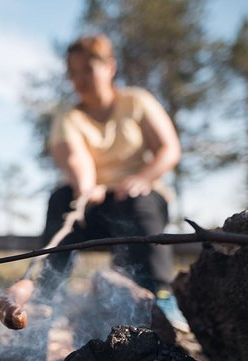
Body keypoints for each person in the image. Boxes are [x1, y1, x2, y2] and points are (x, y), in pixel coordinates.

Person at [37, 34, 189, 332]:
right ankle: (47, 297)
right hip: (92, 205)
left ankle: (159, 297)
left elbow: (168, 149)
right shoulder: (68, 117)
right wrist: (84, 187)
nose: (79, 79)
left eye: (87, 69)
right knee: (60, 199)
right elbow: (75, 159)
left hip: (135, 200)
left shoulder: (137, 102)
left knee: (142, 204)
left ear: (110, 67)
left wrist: (143, 178)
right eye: (73, 72)